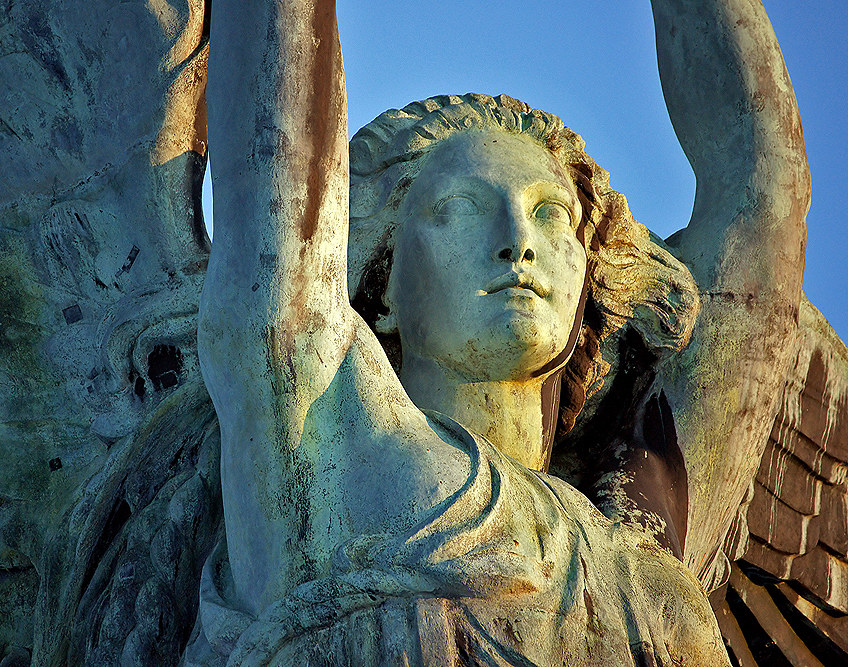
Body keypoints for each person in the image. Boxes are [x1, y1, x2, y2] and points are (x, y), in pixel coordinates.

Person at [194, 0, 807, 663]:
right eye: (460, 209)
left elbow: (763, 190)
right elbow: (280, 188)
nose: (518, 243)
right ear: (383, 282)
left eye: (550, 214)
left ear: (588, 279)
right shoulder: (318, 440)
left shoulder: (645, 554)